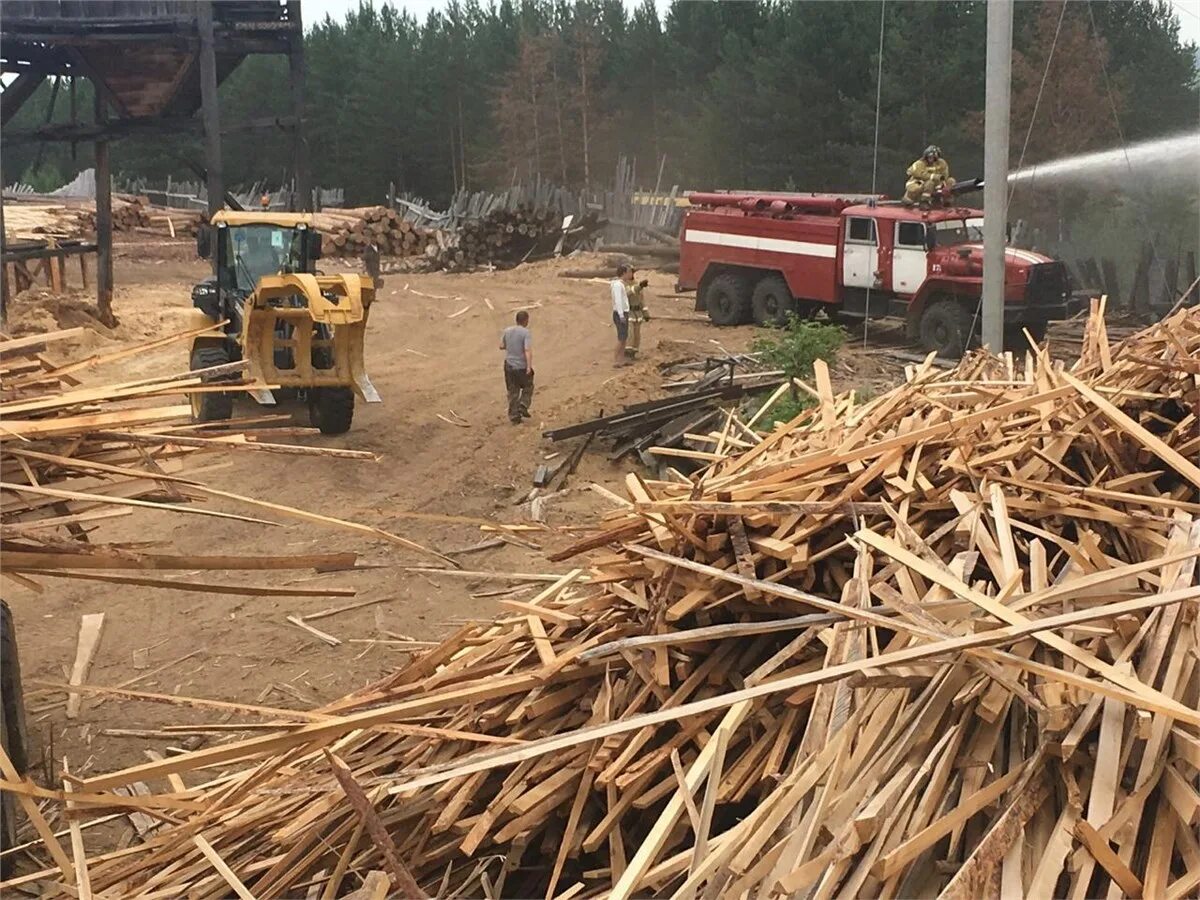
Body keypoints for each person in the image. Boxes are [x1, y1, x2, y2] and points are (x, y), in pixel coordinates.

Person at [499, 310, 534, 424]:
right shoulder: (525, 333)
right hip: (521, 366)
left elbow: (501, 346)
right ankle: (523, 404)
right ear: (526, 320)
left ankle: (514, 416)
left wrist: (511, 346)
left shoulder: (507, 331)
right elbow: (527, 350)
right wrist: (529, 366)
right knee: (528, 386)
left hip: (509, 365)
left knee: (513, 391)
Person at [625, 269, 651, 358]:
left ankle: (634, 352)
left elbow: (641, 300)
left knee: (637, 334)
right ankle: (626, 352)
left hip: (637, 313)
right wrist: (639, 286)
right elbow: (627, 293)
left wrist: (645, 313)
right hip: (628, 313)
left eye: (632, 272)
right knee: (630, 333)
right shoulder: (623, 284)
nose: (631, 274)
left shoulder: (636, 284)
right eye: (629, 272)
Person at [611, 264, 633, 366]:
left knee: (624, 337)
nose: (630, 274)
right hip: (620, 313)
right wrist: (621, 315)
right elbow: (618, 301)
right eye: (629, 272)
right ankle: (616, 359)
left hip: (623, 312)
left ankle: (621, 358)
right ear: (624, 273)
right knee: (621, 337)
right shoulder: (617, 285)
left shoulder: (621, 284)